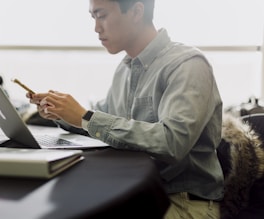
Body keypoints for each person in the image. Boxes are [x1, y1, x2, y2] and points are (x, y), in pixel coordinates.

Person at [28, 0, 224, 218]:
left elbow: (172, 142)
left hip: (183, 202)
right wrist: (62, 113)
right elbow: (102, 121)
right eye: (93, 18)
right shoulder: (125, 69)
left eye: (101, 15)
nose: (96, 28)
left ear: (137, 11)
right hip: (138, 192)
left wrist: (85, 117)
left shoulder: (187, 65)